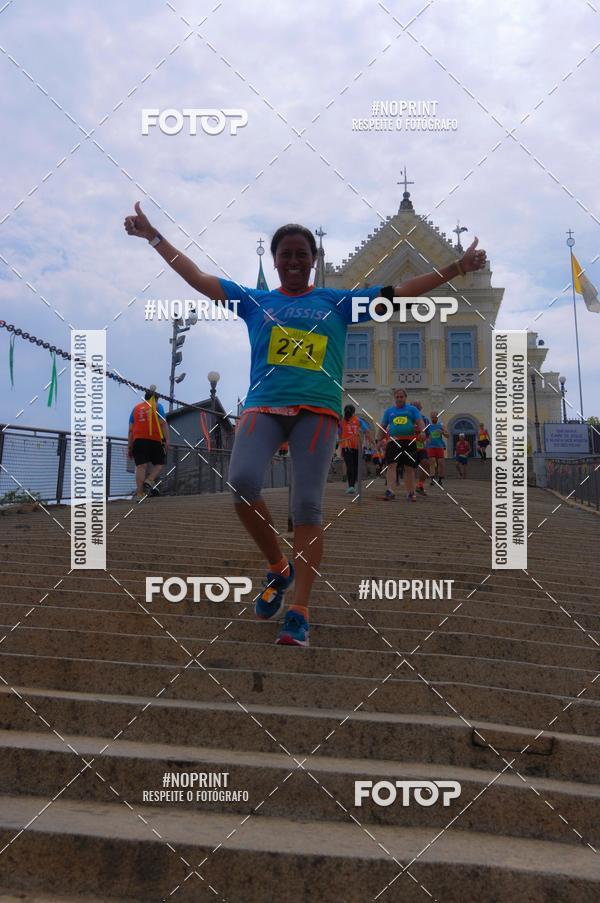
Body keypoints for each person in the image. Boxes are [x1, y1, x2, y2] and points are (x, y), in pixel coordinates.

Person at [124, 202, 487, 645]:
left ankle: (299, 609)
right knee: (240, 482)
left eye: (302, 254)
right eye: (286, 254)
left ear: (313, 261)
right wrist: (155, 237)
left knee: (308, 510)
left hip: (317, 413)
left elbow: (400, 292)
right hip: (264, 408)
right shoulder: (255, 300)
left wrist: (456, 267)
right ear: (276, 261)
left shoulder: (335, 301)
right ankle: (279, 566)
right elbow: (198, 279)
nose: (294, 261)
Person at [378, 389, 425, 502]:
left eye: (401, 397)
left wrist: (423, 431)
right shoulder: (389, 411)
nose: (399, 399)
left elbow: (419, 421)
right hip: (393, 442)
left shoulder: (412, 409)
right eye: (397, 397)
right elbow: (383, 426)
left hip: (409, 441)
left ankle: (410, 493)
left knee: (409, 467)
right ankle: (390, 491)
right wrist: (378, 440)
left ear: (405, 397)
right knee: (391, 465)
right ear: (395, 398)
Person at [128, 385, 169, 499]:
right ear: (155, 399)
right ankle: (149, 480)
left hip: (139, 440)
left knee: (141, 467)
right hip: (154, 440)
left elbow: (131, 430)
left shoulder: (135, 409)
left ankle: (139, 494)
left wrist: (130, 446)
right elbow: (163, 423)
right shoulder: (157, 406)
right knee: (159, 464)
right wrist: (167, 440)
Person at [338, 405, 362, 494]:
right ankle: (353, 485)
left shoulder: (341, 422)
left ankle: (351, 486)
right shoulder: (358, 420)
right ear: (354, 412)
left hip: (346, 446)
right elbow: (367, 430)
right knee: (355, 465)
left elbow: (339, 433)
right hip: (356, 446)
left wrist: (339, 444)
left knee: (350, 465)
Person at [411, 400, 430, 495]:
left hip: (421, 447)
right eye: (414, 407)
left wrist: (426, 438)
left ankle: (420, 485)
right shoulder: (407, 419)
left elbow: (428, 434)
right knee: (411, 469)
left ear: (420, 408)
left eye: (417, 407)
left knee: (426, 463)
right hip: (409, 447)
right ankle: (411, 488)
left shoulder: (425, 419)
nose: (416, 409)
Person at [427, 412, 449, 486]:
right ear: (430, 417)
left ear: (437, 417)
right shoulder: (428, 426)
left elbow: (448, 435)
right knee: (432, 461)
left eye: (435, 417)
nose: (434, 418)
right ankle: (432, 479)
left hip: (439, 446)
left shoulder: (441, 425)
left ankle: (440, 479)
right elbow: (424, 435)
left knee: (440, 462)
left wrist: (442, 432)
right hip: (431, 446)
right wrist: (427, 439)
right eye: (432, 417)